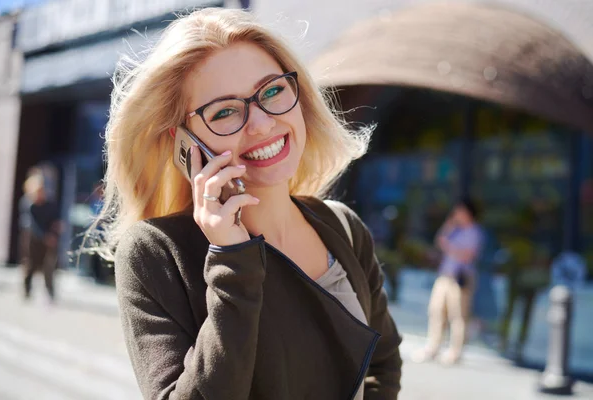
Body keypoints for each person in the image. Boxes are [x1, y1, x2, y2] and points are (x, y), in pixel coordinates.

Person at [92, 8, 402, 400]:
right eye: (224, 112)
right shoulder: (155, 252)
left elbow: (384, 364)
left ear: (299, 95)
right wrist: (231, 258)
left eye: (272, 91)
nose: (260, 123)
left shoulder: (344, 228)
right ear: (185, 143)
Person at [412, 197, 483, 365]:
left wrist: (450, 247)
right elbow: (440, 240)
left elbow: (468, 255)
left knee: (457, 316)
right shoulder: (455, 230)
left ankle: (455, 351)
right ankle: (433, 347)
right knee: (436, 311)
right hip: (445, 276)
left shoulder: (474, 232)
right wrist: (450, 224)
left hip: (460, 278)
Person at [20, 172, 62, 302]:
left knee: (49, 266)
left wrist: (56, 229)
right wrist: (45, 236)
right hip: (32, 239)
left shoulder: (50, 204)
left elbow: (55, 219)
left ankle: (50, 293)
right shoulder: (28, 204)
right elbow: (32, 225)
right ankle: (27, 291)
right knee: (30, 264)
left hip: (49, 240)